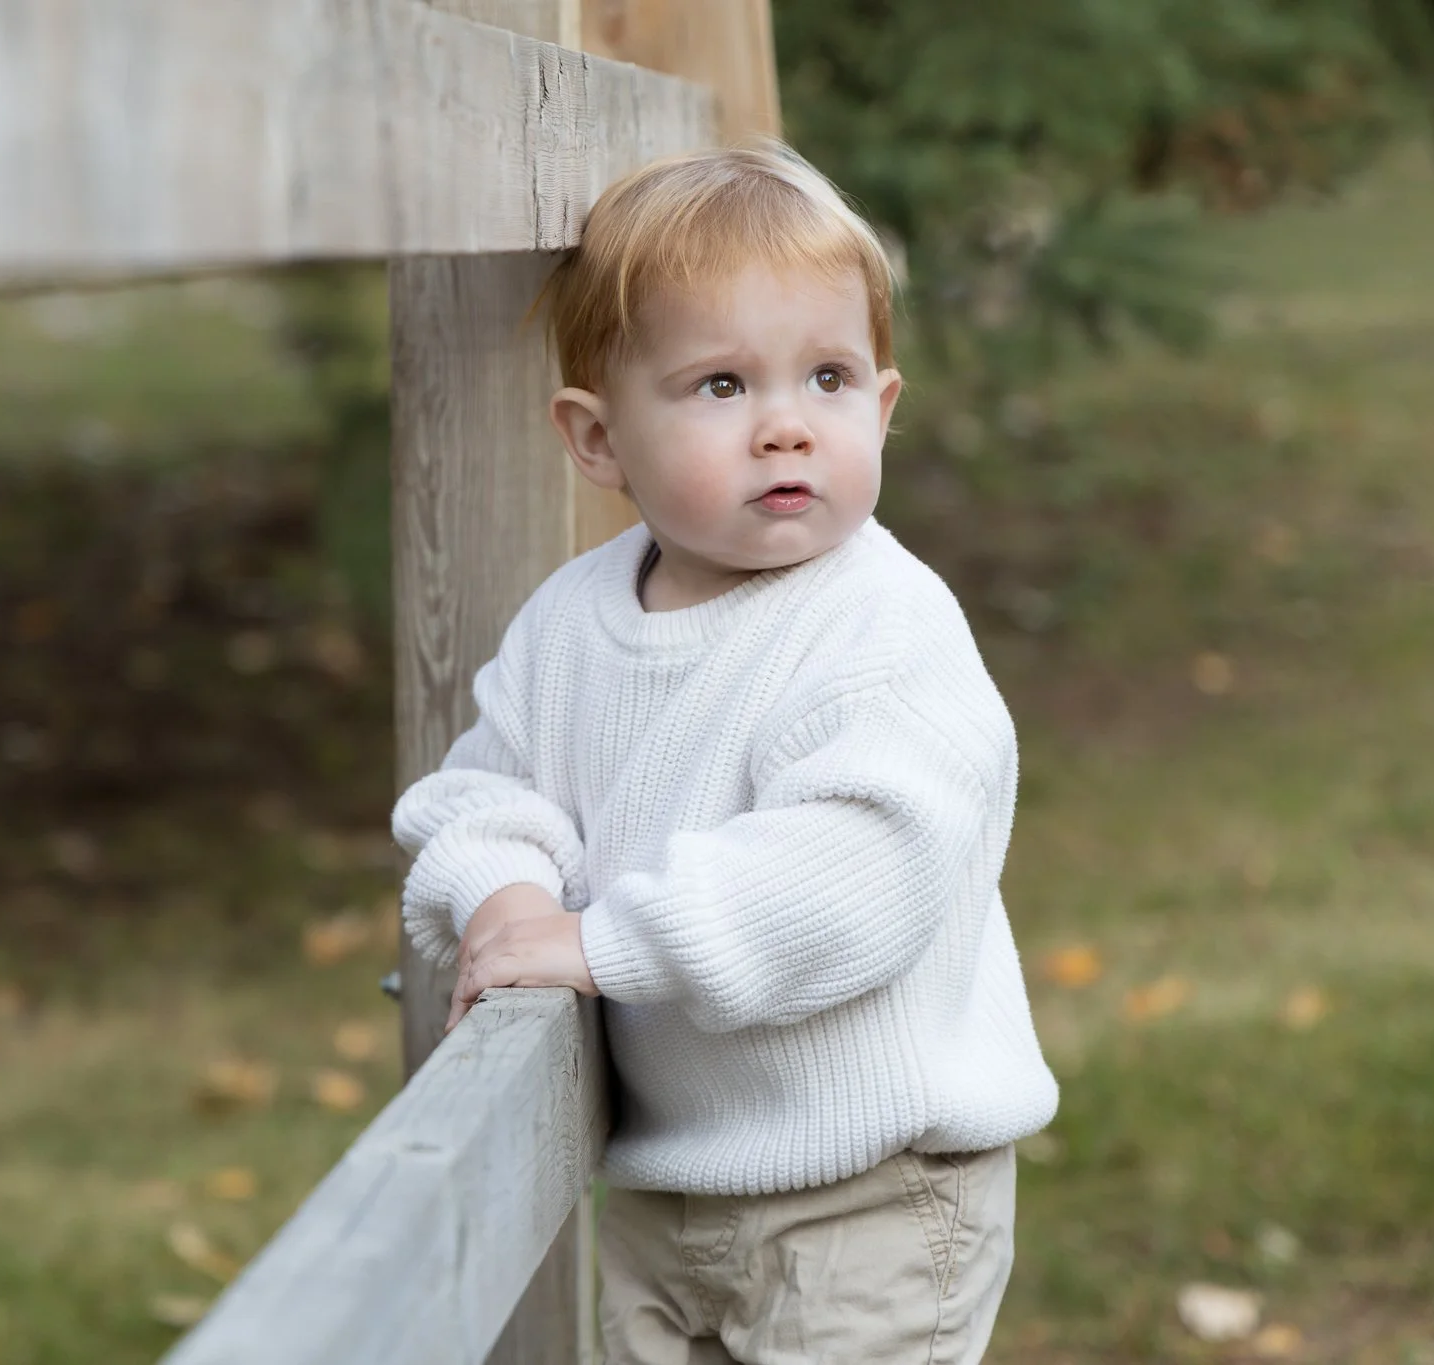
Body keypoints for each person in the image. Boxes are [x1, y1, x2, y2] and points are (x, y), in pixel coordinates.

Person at [391, 139, 1059, 1365]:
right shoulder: (569, 623)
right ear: (596, 441)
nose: (784, 429)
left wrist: (595, 941)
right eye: (718, 387)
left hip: (869, 1199)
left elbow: (847, 880)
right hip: (665, 1192)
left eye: (826, 378)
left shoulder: (884, 628)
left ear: (883, 404)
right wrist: (507, 900)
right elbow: (481, 793)